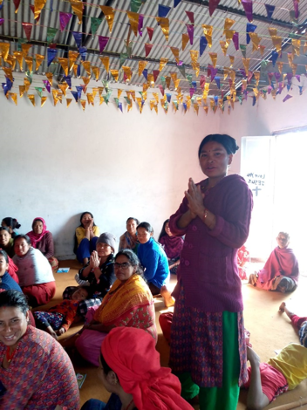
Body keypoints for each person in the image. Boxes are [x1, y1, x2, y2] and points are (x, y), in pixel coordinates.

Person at [168, 134, 253, 410]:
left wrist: (201, 211)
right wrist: (192, 212)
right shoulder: (199, 187)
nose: (210, 160)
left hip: (218, 292)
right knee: (188, 353)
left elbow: (238, 236)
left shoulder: (237, 189)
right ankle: (188, 397)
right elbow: (173, 226)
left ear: (231, 158)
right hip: (189, 288)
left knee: (216, 364)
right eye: (204, 154)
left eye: (218, 153)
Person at [75, 249, 157, 366]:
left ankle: (108, 361)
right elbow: (107, 302)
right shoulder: (122, 281)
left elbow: (114, 326)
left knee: (84, 343)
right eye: (117, 265)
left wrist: (91, 327)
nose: (119, 268)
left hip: (138, 338)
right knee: (92, 310)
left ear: (134, 267)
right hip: (120, 327)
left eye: (124, 265)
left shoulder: (135, 291)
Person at [0, 290, 79, 409]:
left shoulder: (35, 347)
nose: (7, 329)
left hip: (51, 405)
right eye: (0, 323)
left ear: (27, 316)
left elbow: (14, 402)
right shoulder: (8, 340)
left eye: (14, 320)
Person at [81, 327, 194, 410]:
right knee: (92, 404)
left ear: (112, 377)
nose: (98, 372)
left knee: (91, 405)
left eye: (99, 366)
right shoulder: (135, 385)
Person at [64, 232, 116, 317]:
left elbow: (106, 285)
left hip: (104, 296)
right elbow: (82, 276)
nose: (101, 247)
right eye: (99, 244)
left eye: (105, 245)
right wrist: (90, 266)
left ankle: (75, 308)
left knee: (83, 306)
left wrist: (96, 268)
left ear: (112, 249)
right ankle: (75, 309)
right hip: (91, 290)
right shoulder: (95, 258)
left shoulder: (114, 264)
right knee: (68, 291)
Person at [244, 343, 307, 410]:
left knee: (234, 381)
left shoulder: (292, 345)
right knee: (255, 404)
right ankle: (255, 361)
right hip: (278, 378)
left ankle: (255, 365)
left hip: (264, 367)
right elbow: (254, 405)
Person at [137, 222, 174, 307]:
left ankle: (165, 292)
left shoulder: (153, 250)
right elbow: (139, 264)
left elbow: (150, 274)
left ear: (151, 234)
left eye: (144, 234)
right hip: (151, 275)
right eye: (138, 234)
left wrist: (138, 281)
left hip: (159, 278)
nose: (140, 236)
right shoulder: (140, 246)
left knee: (137, 292)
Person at [13, 235, 56, 307]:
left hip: (43, 286)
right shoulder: (15, 258)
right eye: (16, 245)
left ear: (29, 245)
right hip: (25, 286)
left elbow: (36, 277)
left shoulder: (34, 255)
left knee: (26, 293)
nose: (19, 248)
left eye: (22, 245)